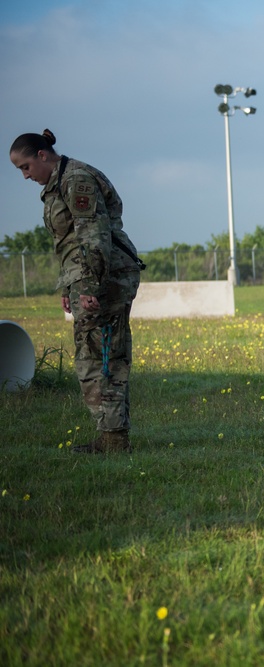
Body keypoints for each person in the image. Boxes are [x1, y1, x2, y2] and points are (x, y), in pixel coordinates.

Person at [10, 129, 143, 454]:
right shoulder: (60, 182)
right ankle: (112, 436)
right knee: (99, 354)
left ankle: (113, 441)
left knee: (101, 357)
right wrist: (69, 285)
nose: (26, 176)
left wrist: (90, 287)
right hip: (90, 278)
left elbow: (93, 237)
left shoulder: (75, 180)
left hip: (105, 279)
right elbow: (69, 243)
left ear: (42, 155)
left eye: (25, 166)